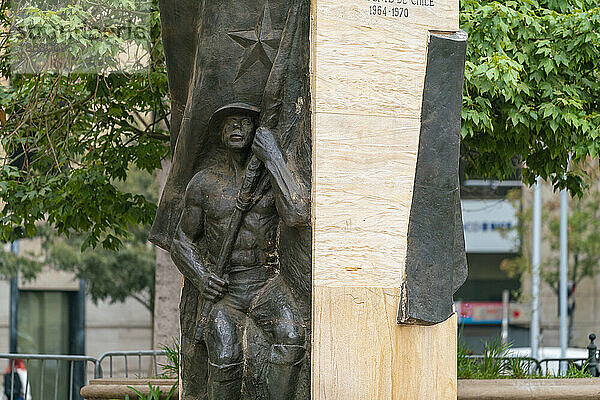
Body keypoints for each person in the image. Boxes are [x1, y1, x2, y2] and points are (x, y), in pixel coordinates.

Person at [170, 103, 309, 399]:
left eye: (244, 122)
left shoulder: (269, 181)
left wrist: (273, 157)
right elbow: (181, 239)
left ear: (256, 131)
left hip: (265, 286)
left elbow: (297, 213)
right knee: (225, 350)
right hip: (226, 293)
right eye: (229, 123)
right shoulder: (204, 184)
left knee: (292, 334)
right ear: (220, 133)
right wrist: (201, 276)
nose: (236, 128)